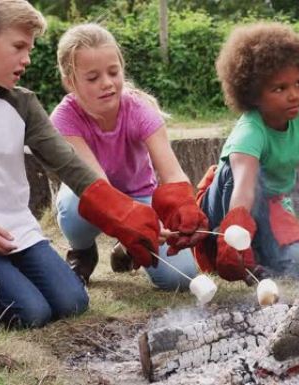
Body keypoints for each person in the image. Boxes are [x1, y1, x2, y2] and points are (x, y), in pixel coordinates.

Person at [0, 0, 179, 327]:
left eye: (29, 48)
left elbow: (69, 165)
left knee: (73, 302)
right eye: (18, 47)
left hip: (18, 235)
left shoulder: (23, 104)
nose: (27, 58)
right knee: (31, 313)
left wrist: (123, 215)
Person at [51, 23, 206, 291]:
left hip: (141, 196)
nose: (107, 83)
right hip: (93, 194)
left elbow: (171, 173)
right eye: (93, 77)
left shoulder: (139, 109)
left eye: (114, 72)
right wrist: (131, 223)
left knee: (182, 279)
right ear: (70, 82)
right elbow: (98, 186)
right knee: (72, 204)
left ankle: (125, 249)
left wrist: (183, 206)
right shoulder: (64, 119)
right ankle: (82, 252)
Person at [193, 22, 299, 283]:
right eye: (280, 88)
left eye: (298, 83)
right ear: (253, 95)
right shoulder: (250, 131)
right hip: (230, 205)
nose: (294, 95)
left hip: (272, 207)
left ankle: (258, 256)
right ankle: (225, 242)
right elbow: (242, 189)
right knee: (253, 179)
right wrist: (235, 233)